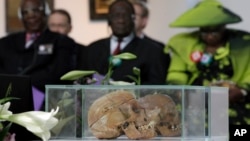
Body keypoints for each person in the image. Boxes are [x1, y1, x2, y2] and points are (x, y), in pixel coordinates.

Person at [165, 0, 250, 129]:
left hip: (232, 100)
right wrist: (178, 89)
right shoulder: (185, 43)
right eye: (205, 31)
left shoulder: (243, 43)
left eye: (215, 31)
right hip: (195, 101)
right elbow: (177, 72)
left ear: (224, 26)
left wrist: (242, 90)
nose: (210, 37)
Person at [0, 0, 76, 103]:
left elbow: (59, 74)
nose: (31, 16)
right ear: (20, 16)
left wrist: (19, 83)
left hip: (46, 102)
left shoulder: (62, 41)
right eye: (25, 12)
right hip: (7, 101)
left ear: (46, 13)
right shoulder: (5, 42)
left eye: (35, 10)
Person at [80, 0, 168, 84]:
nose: (121, 20)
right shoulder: (92, 50)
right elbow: (81, 83)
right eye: (116, 16)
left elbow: (156, 88)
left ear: (133, 19)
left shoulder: (153, 51)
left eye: (125, 16)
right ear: (109, 19)